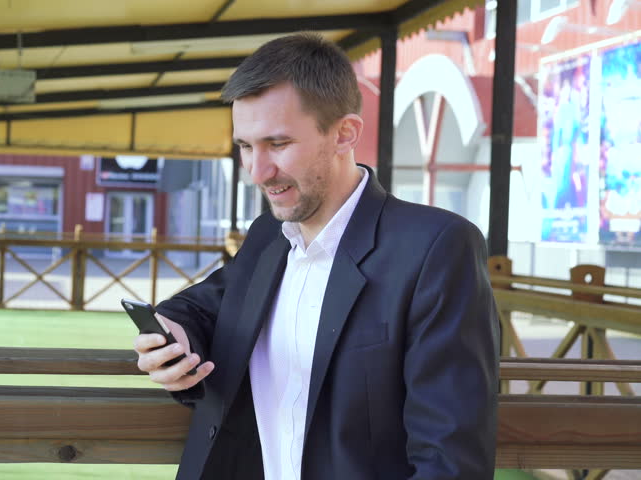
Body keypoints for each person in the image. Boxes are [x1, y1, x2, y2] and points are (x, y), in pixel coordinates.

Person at [134, 32, 499, 480]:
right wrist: (172, 335)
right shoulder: (269, 235)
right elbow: (203, 306)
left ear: (345, 133)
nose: (257, 171)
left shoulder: (437, 247)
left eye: (278, 144)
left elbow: (449, 460)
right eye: (246, 146)